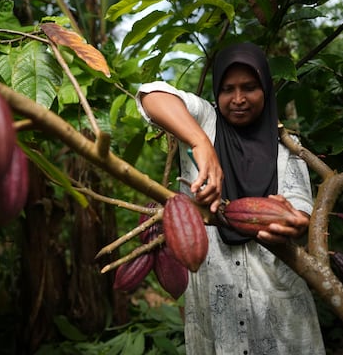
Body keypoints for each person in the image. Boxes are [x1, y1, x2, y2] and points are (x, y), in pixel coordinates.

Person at [136, 42, 325, 354]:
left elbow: (301, 205)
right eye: (228, 89)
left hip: (275, 298)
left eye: (249, 87)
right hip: (216, 294)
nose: (238, 99)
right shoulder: (204, 123)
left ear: (265, 88)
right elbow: (150, 95)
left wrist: (293, 222)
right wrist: (201, 144)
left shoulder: (288, 148)